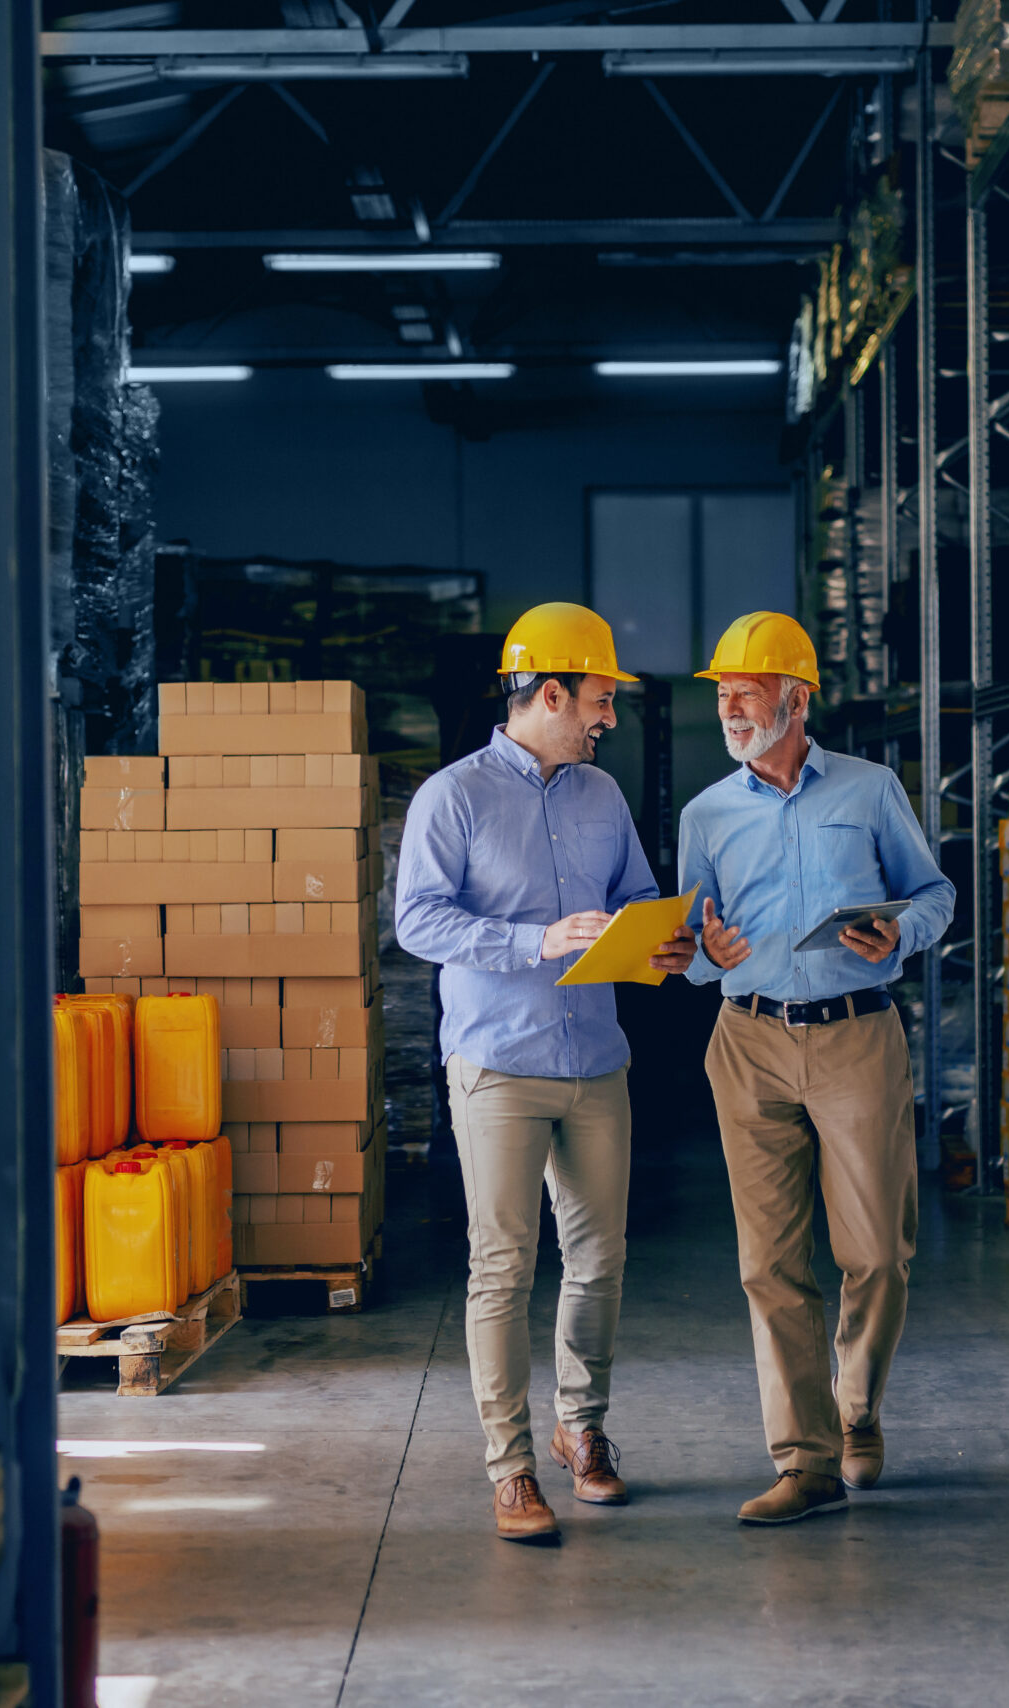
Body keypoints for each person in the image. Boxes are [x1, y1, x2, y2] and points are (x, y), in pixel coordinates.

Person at [395, 601, 697, 1543]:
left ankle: (582, 1430)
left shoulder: (601, 798)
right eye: (600, 700)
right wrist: (535, 940)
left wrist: (663, 945)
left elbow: (636, 901)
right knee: (503, 1266)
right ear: (551, 692)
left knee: (599, 1260)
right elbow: (418, 922)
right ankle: (511, 1467)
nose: (609, 718)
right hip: (499, 1061)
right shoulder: (453, 796)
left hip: (596, 1058)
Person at [677, 611, 957, 1526]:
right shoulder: (705, 814)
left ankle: (857, 1405)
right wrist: (703, 952)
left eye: (746, 689)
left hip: (855, 1034)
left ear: (796, 699)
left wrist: (899, 934)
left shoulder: (872, 792)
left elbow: (934, 892)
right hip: (747, 1038)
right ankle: (805, 1460)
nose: (729, 704)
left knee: (877, 1250)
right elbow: (692, 949)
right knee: (769, 1263)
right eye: (722, 691)